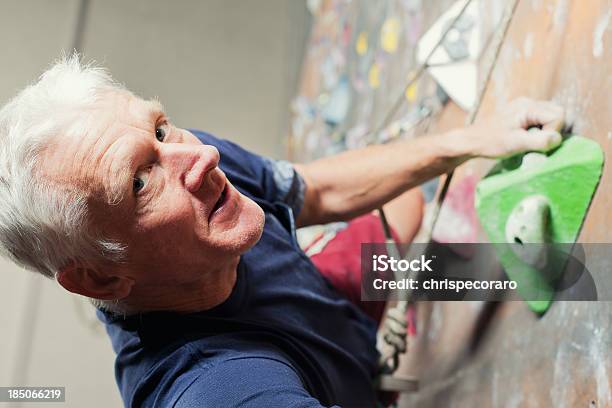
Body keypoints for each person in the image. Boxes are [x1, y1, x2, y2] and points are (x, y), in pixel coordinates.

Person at [0, 56, 564, 407]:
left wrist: (471, 140)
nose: (202, 157)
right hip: (325, 380)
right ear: (101, 276)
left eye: (160, 126)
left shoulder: (186, 159)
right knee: (574, 274)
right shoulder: (213, 385)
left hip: (325, 312)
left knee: (411, 217)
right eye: (141, 182)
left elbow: (318, 192)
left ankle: (510, 276)